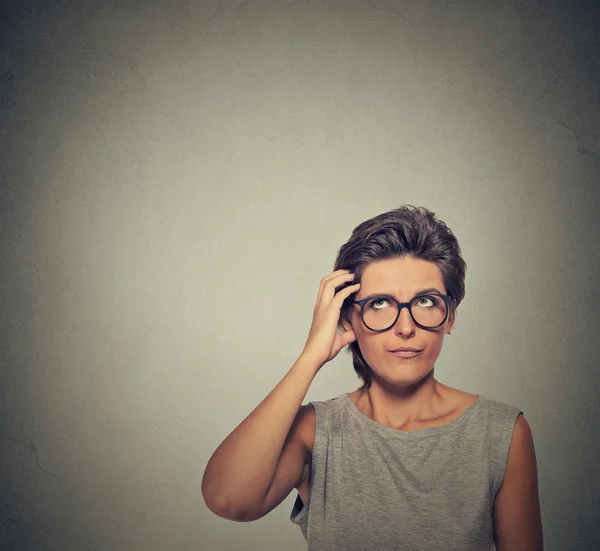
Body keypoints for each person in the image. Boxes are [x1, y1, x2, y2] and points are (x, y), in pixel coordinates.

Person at [201, 205, 544, 550]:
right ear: (348, 318)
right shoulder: (315, 432)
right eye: (380, 304)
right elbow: (229, 499)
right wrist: (311, 356)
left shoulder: (500, 433)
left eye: (425, 300)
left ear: (449, 316)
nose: (406, 328)